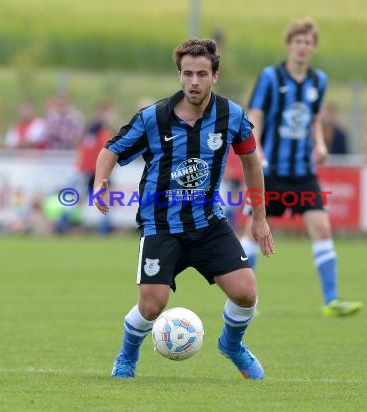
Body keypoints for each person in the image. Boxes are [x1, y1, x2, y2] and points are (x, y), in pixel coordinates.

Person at [93, 39, 274, 379]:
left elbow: (251, 162)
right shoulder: (153, 117)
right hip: (160, 225)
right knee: (152, 304)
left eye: (201, 74)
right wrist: (100, 181)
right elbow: (111, 149)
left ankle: (232, 345)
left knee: (246, 293)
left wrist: (259, 218)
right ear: (179, 75)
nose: (194, 81)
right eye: (187, 73)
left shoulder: (231, 115)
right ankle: (127, 357)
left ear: (214, 76)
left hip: (208, 223)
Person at [239, 17, 363, 317]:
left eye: (308, 43)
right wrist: (256, 155)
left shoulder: (319, 81)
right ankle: (244, 300)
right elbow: (255, 116)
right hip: (269, 172)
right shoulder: (270, 77)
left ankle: (331, 300)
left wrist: (319, 144)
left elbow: (315, 119)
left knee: (321, 227)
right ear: (288, 45)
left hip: (303, 172)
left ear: (314, 48)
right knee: (253, 232)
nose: (302, 47)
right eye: (298, 42)